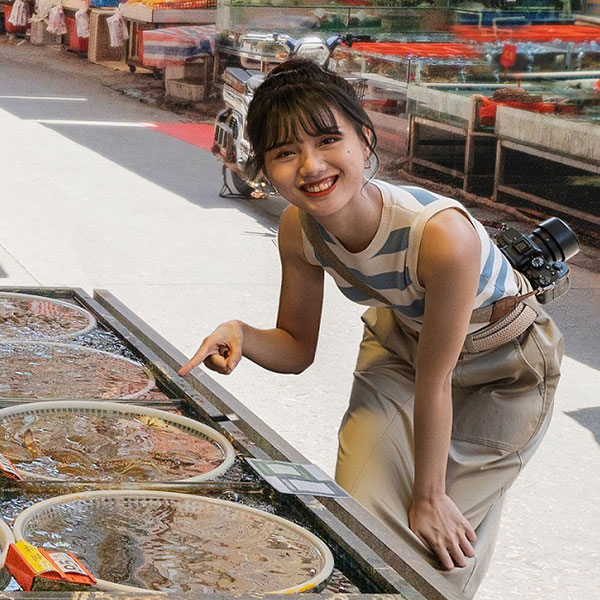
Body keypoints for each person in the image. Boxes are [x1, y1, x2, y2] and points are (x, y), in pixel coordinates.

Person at [178, 58, 563, 597]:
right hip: (403, 341)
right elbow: (295, 348)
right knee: (358, 522)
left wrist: (428, 495)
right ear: (263, 167)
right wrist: (243, 332)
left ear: (364, 139)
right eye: (286, 152)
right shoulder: (299, 229)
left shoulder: (442, 237)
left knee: (437, 546)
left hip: (506, 365)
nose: (310, 165)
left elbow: (437, 381)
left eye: (326, 140)